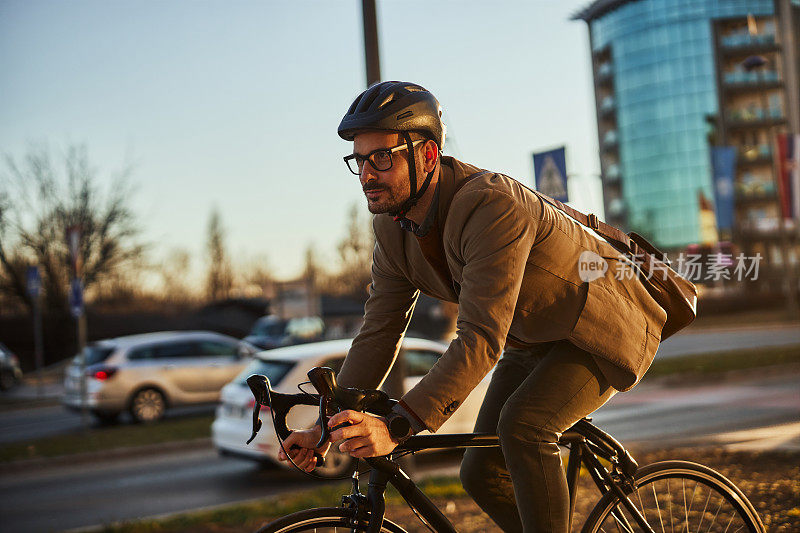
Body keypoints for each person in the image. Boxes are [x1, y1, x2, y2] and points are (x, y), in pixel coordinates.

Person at [278, 81, 667, 533]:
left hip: (600, 331)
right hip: (533, 339)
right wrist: (325, 424)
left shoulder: (491, 205)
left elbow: (480, 338)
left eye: (381, 158)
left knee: (524, 428)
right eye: (359, 161)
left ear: (426, 155)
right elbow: (380, 328)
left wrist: (399, 426)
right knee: (480, 473)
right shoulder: (392, 228)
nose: (367, 175)